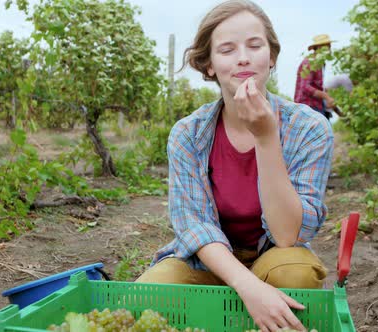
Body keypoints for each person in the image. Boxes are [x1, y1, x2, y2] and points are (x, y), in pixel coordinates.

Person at [136, 1, 334, 331]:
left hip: (274, 255)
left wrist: (267, 137)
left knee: (294, 274)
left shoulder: (309, 129)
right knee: (148, 296)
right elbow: (195, 226)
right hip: (210, 261)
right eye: (227, 49)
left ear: (271, 57)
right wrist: (249, 288)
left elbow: (287, 234)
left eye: (254, 46)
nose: (243, 57)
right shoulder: (189, 133)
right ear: (209, 65)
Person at [294, 34, 336, 120]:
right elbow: (305, 87)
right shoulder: (309, 62)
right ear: (319, 47)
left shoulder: (320, 64)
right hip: (307, 107)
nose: (330, 49)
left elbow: (316, 86)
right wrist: (326, 96)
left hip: (316, 106)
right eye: (328, 46)